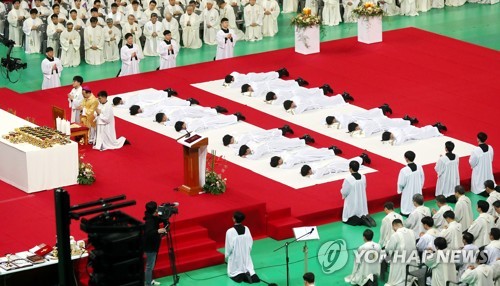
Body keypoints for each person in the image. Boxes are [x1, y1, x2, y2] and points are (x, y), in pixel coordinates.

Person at [225, 211, 260, 283]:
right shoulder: (246, 229)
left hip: (235, 255)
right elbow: (250, 242)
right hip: (245, 254)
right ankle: (251, 275)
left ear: (234, 219)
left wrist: (227, 254)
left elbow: (229, 246)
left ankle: (242, 275)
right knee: (248, 267)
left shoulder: (230, 231)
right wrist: (247, 251)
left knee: (234, 272)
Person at [340, 160, 375, 227]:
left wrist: (342, 192)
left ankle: (361, 220)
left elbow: (344, 191)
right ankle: (364, 216)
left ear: (350, 169)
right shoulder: (363, 177)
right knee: (361, 211)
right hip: (361, 198)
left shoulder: (348, 179)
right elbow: (364, 186)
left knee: (348, 218)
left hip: (352, 200)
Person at [385, 219, 418, 286]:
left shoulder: (395, 235)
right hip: (413, 260)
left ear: (394, 226)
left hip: (400, 261)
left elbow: (389, 249)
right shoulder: (412, 232)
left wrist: (388, 259)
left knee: (386, 255)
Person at [143, 201, 166, 286]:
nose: (157, 209)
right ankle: (148, 283)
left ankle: (150, 280)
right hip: (150, 246)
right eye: (156, 208)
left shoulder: (152, 216)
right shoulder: (149, 221)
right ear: (153, 210)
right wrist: (158, 231)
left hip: (154, 244)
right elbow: (149, 233)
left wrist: (164, 215)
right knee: (149, 266)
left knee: (152, 264)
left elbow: (159, 219)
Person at [238, 135, 314, 160]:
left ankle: (304, 140)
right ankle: (302, 138)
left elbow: (255, 157)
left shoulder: (256, 149)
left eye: (247, 152)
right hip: (271, 144)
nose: (248, 152)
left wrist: (246, 157)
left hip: (273, 146)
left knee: (289, 144)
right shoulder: (252, 145)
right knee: (288, 143)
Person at [270, 146, 348, 169]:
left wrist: (280, 167)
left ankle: (332, 151)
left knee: (318, 155)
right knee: (317, 152)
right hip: (302, 154)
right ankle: (330, 149)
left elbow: (288, 166)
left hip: (303, 156)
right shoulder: (284, 155)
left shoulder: (288, 160)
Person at [397, 151, 424, 216]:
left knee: (408, 201)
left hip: (408, 190)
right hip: (417, 188)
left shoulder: (404, 170)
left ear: (406, 159)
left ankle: (407, 211)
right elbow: (422, 178)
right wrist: (420, 186)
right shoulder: (419, 167)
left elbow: (401, 183)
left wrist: (400, 190)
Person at [300, 155, 371, 180]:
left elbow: (316, 176)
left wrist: (309, 176)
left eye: (308, 172)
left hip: (335, 167)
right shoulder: (314, 168)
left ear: (309, 171)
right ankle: (361, 158)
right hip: (333, 165)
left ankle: (362, 158)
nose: (309, 173)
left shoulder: (317, 170)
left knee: (348, 165)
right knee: (347, 163)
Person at [223, 125, 292, 149]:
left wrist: (230, 145)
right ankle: (284, 129)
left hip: (256, 136)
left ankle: (284, 129)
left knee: (270, 134)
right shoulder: (236, 138)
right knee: (269, 133)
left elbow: (238, 145)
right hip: (254, 135)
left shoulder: (237, 140)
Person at [174, 112, 246, 133]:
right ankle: (235, 117)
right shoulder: (188, 127)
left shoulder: (188, 124)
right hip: (207, 124)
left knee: (221, 120)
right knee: (222, 123)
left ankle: (236, 116)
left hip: (206, 121)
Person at [381, 123, 446, 145]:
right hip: (409, 130)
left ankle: (437, 128)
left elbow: (400, 141)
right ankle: (434, 126)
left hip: (412, 132)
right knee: (423, 131)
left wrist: (393, 142)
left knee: (424, 134)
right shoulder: (391, 130)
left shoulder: (398, 134)